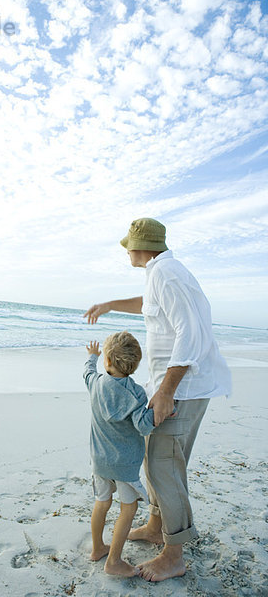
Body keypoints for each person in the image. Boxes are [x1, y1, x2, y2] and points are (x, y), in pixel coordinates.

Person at [84, 218, 231, 582]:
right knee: (159, 463)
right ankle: (154, 527)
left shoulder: (166, 273)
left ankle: (174, 554)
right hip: (179, 386)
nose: (126, 251)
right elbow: (150, 305)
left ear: (139, 245)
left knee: (164, 468)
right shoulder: (159, 273)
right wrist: (111, 304)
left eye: (128, 245)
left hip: (181, 389)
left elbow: (190, 333)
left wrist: (166, 391)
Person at [83, 332, 155, 578]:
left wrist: (92, 357)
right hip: (124, 466)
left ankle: (97, 549)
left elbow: (87, 373)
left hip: (100, 462)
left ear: (108, 361)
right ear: (134, 365)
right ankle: (113, 561)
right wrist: (159, 410)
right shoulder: (136, 394)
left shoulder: (95, 383)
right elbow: (144, 426)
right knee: (128, 509)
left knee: (102, 503)